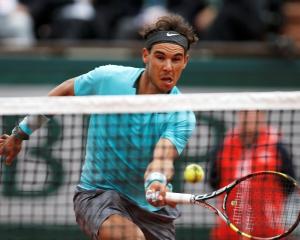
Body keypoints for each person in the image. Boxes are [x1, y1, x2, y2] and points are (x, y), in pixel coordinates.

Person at [0, 14, 198, 240]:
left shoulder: (182, 114)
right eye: (160, 57)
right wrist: (20, 133)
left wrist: (156, 180)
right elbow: (64, 92)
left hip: (150, 210)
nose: (168, 67)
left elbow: (163, 156)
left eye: (176, 59)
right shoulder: (108, 78)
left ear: (185, 61)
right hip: (98, 195)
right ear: (146, 56)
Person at [209, 110, 295, 240]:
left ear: (262, 116)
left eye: (254, 112)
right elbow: (214, 182)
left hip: (269, 233)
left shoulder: (277, 146)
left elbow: (289, 185)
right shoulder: (224, 146)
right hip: (227, 232)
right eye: (244, 112)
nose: (248, 116)